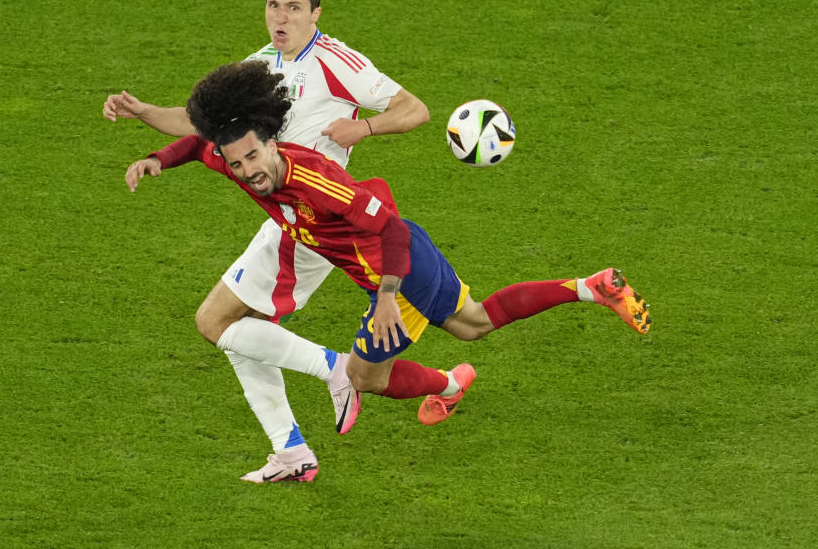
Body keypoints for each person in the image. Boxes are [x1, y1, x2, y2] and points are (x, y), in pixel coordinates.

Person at [125, 61, 653, 461]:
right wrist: (157, 159)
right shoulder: (238, 156)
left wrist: (384, 298)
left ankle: (446, 385)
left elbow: (391, 226)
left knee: (364, 378)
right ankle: (589, 287)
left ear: (273, 143)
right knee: (476, 324)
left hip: (399, 272)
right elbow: (198, 146)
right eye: (237, 163)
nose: (246, 171)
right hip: (402, 266)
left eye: (253, 158)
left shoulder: (316, 182)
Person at [105, 0, 430, 483]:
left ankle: (335, 372)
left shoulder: (336, 62)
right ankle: (291, 451)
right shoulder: (260, 66)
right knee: (236, 331)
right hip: (281, 216)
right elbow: (201, 128)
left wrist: (362, 126)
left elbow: (414, 110)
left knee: (218, 324)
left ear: (315, 13)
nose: (281, 17)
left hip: (313, 222)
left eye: (294, 7)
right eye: (274, 6)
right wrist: (144, 117)